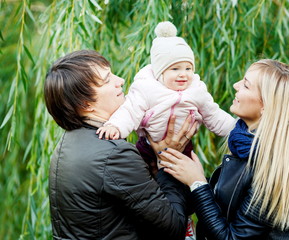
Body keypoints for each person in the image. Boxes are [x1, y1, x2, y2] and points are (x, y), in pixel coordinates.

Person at [44, 49, 198, 240]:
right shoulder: (114, 154)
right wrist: (168, 160)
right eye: (107, 79)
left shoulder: (66, 145)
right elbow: (173, 227)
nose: (121, 81)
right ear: (85, 104)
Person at [157, 59, 289, 239]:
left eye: (246, 85)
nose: (235, 85)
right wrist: (172, 162)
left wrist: (197, 183)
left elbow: (232, 237)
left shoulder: (275, 167)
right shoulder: (246, 143)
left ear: (266, 105)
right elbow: (226, 205)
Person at [97, 21, 235, 158]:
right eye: (175, 69)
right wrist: (115, 126)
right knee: (140, 170)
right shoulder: (147, 88)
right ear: (160, 73)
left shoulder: (197, 90)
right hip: (148, 145)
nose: (183, 74)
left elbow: (213, 114)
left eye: (188, 68)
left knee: (181, 174)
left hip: (184, 145)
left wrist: (236, 129)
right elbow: (130, 110)